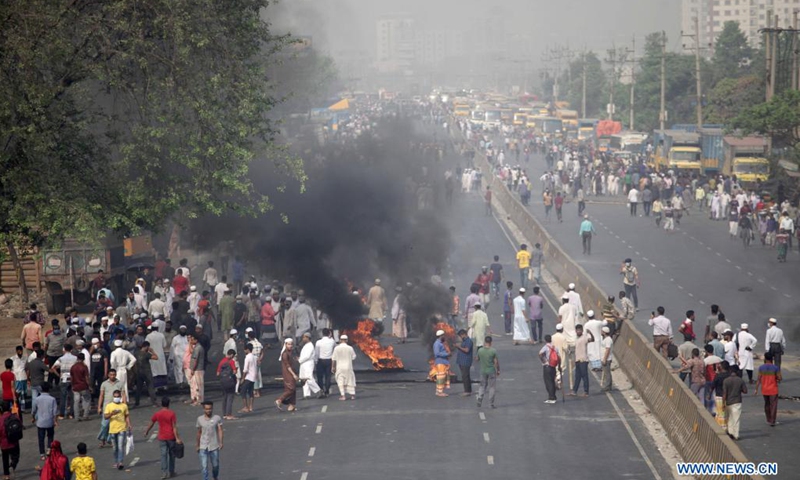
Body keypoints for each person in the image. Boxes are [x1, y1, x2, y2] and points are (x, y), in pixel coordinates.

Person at [145, 396, 183, 479]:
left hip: (162, 437)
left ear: (162, 404)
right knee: (172, 455)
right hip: (171, 437)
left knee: (163, 455)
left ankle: (164, 473)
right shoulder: (172, 413)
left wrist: (147, 431)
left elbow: (152, 422)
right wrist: (177, 438)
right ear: (168, 404)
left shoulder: (158, 414)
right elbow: (174, 427)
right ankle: (171, 471)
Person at [104, 389, 131, 470]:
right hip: (112, 429)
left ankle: (120, 462)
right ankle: (116, 461)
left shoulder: (124, 406)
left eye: (118, 396)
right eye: (115, 397)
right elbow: (105, 417)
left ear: (120, 397)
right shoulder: (109, 406)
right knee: (115, 447)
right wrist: (112, 413)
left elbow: (126, 416)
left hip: (122, 428)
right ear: (113, 397)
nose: (116, 398)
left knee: (120, 446)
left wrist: (129, 424)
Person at [196, 401, 223, 480]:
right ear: (204, 409)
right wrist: (197, 445)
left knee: (215, 465)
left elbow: (220, 430)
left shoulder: (217, 418)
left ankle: (215, 477)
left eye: (210, 409)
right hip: (203, 446)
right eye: (207, 409)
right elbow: (199, 432)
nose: (209, 411)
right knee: (204, 466)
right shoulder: (199, 419)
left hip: (214, 445)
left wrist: (221, 442)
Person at [755, 352, 781, 427]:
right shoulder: (775, 368)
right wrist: (776, 378)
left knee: (767, 404)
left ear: (765, 359)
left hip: (764, 389)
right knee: (773, 405)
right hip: (773, 389)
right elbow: (779, 378)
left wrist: (756, 389)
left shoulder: (761, 367)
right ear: (772, 359)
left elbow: (758, 379)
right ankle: (772, 421)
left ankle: (768, 419)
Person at [32, 382, 58, 460]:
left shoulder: (37, 399)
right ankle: (49, 450)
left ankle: (42, 454)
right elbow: (55, 411)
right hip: (49, 421)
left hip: (40, 422)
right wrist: (55, 421)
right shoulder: (52, 399)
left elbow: (33, 410)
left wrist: (33, 417)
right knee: (50, 436)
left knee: (41, 438)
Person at [723, 366, 748, 440]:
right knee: (736, 419)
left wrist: (723, 404)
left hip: (728, 402)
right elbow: (745, 391)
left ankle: (730, 432)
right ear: (737, 371)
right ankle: (736, 434)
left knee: (730, 418)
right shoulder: (740, 380)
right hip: (737, 402)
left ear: (730, 371)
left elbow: (724, 393)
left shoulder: (726, 380)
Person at [475, 336, 499, 408]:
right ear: (491, 342)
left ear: (485, 342)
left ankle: (480, 397)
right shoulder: (493, 351)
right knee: (492, 387)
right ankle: (491, 403)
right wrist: (498, 370)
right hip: (491, 371)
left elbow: (477, 359)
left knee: (482, 386)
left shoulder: (480, 350)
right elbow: (496, 362)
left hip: (483, 371)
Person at [570, 324, 593, 397]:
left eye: (579, 330)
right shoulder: (576, 338)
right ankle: (574, 391)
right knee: (577, 377)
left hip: (583, 360)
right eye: (577, 330)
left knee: (584, 376)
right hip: (578, 360)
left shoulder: (584, 338)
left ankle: (586, 392)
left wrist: (590, 333)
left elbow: (592, 339)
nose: (578, 332)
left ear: (582, 331)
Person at [332, 335, 357, 401]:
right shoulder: (350, 348)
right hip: (348, 367)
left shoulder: (336, 348)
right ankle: (352, 395)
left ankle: (343, 396)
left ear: (340, 340)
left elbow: (333, 359)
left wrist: (333, 367)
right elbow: (353, 357)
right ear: (347, 340)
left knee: (340, 381)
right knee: (350, 380)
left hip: (339, 367)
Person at [275, 338, 298, 412]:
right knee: (291, 389)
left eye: (291, 344)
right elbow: (288, 366)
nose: (290, 346)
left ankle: (291, 405)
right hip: (288, 374)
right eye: (289, 344)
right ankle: (280, 400)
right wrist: (294, 374)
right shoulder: (285, 354)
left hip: (291, 372)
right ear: (285, 345)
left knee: (293, 390)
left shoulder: (291, 352)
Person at [134, 341, 158, 407]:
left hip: (139, 372)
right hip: (147, 372)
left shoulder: (136, 353)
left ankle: (137, 402)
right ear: (147, 346)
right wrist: (152, 351)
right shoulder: (146, 354)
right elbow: (156, 357)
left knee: (138, 388)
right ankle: (154, 402)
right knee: (150, 387)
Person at [0, 402, 20, 480]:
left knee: (5, 459)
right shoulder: (15, 417)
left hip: (4, 443)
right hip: (14, 441)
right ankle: (12, 465)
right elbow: (19, 426)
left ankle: (6, 475)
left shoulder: (1, 419)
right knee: (16, 456)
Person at [298, 333, 321, 399]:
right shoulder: (306, 345)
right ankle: (306, 394)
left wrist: (300, 360)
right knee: (303, 379)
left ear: (308, 338)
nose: (303, 339)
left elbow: (307, 356)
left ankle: (318, 391)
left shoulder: (310, 346)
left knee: (309, 378)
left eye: (304, 337)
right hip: (303, 364)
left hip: (308, 364)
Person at [70, 353, 91, 421]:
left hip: (75, 386)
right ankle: (85, 415)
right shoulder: (84, 367)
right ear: (84, 358)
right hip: (83, 386)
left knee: (76, 402)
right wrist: (89, 386)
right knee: (87, 400)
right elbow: (86, 377)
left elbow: (71, 377)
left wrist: (72, 385)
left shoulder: (73, 367)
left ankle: (76, 416)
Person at [539, 335, 560, 404]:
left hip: (547, 366)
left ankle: (551, 398)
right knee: (552, 381)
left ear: (545, 340)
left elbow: (540, 353)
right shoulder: (555, 348)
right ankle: (553, 396)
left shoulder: (545, 347)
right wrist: (559, 366)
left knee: (548, 382)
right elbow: (558, 357)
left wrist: (544, 361)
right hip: (553, 366)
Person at [315, 329, 335, 398]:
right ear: (329, 333)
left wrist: (316, 361)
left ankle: (321, 390)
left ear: (322, 333)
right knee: (328, 376)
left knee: (320, 377)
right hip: (329, 360)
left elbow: (316, 353)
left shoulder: (318, 342)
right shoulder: (332, 341)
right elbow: (334, 349)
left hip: (320, 361)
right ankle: (327, 390)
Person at [454, 329, 473, 397]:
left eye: (460, 336)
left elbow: (467, 350)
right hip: (462, 361)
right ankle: (468, 390)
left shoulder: (468, 341)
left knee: (465, 376)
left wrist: (459, 347)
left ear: (463, 334)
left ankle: (467, 391)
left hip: (465, 361)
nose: (460, 337)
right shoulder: (464, 341)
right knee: (465, 376)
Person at [239, 344, 256, 414]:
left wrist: (243, 378)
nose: (244, 350)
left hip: (248, 377)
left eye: (244, 349)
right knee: (250, 392)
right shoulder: (254, 357)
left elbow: (245, 369)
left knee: (243, 391)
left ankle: (246, 407)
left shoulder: (247, 357)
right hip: (253, 376)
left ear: (247, 350)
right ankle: (251, 406)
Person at [433, 330, 451, 397]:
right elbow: (437, 353)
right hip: (440, 362)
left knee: (442, 377)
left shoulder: (441, 343)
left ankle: (439, 390)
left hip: (443, 362)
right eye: (443, 335)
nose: (444, 336)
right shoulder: (437, 344)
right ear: (441, 336)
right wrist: (446, 354)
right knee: (441, 377)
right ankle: (440, 392)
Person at [188, 335, 205, 405]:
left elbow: (195, 359)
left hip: (198, 369)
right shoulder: (198, 347)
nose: (191, 341)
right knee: (198, 385)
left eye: (192, 339)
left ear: (196, 340)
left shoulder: (198, 348)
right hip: (199, 368)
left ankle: (200, 400)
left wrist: (192, 369)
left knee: (199, 385)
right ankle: (199, 399)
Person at [600, 326, 613, 392]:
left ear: (604, 332)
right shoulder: (605, 339)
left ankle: (608, 386)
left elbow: (607, 350)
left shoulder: (608, 340)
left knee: (607, 372)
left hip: (607, 359)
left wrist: (605, 359)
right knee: (606, 372)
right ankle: (609, 385)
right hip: (605, 358)